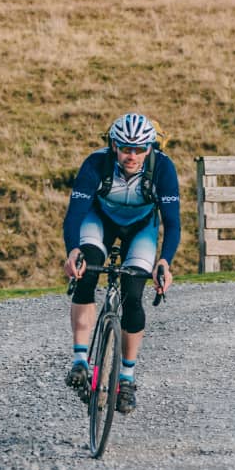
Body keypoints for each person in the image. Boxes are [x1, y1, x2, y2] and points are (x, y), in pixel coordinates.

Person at [61, 112, 181, 413]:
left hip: (141, 228)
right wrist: (73, 251)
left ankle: (126, 378)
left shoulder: (163, 168)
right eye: (126, 148)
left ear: (150, 148)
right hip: (99, 221)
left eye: (139, 149)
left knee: (133, 295)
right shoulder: (96, 163)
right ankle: (79, 360)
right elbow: (75, 213)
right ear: (114, 145)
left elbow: (172, 222)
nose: (132, 155)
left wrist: (164, 262)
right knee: (86, 274)